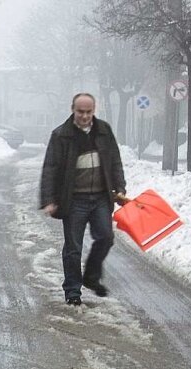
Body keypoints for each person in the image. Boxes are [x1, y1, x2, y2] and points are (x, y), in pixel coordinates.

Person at [40, 93, 128, 306]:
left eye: (89, 112)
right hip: (73, 200)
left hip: (100, 197)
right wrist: (49, 199)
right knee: (73, 247)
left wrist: (120, 188)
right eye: (80, 112)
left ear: (94, 111)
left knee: (106, 237)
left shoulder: (104, 131)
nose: (85, 116)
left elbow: (115, 161)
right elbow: (50, 168)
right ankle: (72, 291)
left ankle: (90, 276)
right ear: (73, 110)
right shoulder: (61, 135)